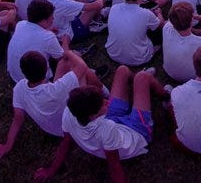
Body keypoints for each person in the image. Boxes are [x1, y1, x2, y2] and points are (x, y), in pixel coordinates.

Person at [35, 66, 169, 181]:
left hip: (111, 120)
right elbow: (114, 166)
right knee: (143, 77)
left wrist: (51, 170)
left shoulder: (69, 113)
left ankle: (139, 83)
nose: (107, 102)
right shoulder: (106, 129)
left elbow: (66, 143)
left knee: (122, 70)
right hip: (136, 133)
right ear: (92, 114)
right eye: (103, 103)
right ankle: (167, 97)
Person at [0, 48, 105, 160]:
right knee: (85, 72)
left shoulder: (20, 88)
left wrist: (7, 145)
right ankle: (103, 91)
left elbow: (17, 119)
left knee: (63, 63)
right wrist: (69, 52)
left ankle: (97, 86)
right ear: (47, 69)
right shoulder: (59, 88)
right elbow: (82, 66)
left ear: (23, 72)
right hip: (73, 125)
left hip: (52, 128)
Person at [106, 0, 163, 67]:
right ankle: (155, 49)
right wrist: (159, 13)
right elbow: (161, 25)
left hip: (113, 53)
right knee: (158, 31)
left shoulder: (113, 8)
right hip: (139, 59)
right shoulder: (145, 13)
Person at [6, 0, 65, 83]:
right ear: (44, 21)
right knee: (67, 60)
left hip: (15, 76)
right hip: (36, 81)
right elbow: (63, 58)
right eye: (52, 17)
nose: (53, 19)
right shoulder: (48, 37)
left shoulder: (20, 24)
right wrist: (66, 40)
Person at [162, 2, 201, 83]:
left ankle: (198, 31)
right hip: (192, 77)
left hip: (169, 71)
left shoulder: (166, 28)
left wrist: (193, 19)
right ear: (191, 20)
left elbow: (173, 20)